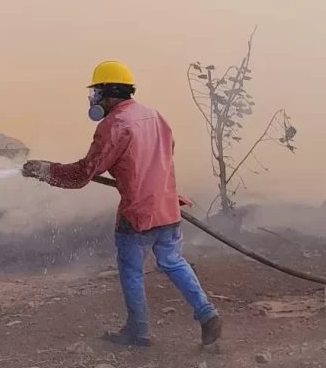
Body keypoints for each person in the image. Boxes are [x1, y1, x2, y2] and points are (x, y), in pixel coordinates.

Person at [22, 60, 222, 348]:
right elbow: (164, 156)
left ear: (111, 93)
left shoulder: (113, 125)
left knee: (131, 271)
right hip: (168, 207)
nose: (95, 99)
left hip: (138, 213)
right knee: (173, 261)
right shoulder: (154, 116)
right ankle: (208, 315)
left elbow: (82, 174)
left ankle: (137, 332)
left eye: (97, 92)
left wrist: (45, 170)